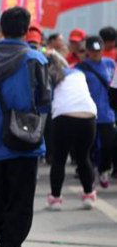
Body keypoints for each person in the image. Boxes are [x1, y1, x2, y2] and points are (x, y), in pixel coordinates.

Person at [0, 6, 50, 247]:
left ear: (1, 29)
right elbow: (44, 99)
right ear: (27, 30)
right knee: (20, 198)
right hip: (23, 138)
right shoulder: (35, 59)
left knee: (0, 193)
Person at [45, 52, 97, 210]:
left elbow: (45, 101)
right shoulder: (78, 74)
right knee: (83, 157)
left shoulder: (48, 77)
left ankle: (55, 199)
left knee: (59, 159)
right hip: (88, 115)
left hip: (64, 117)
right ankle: (88, 195)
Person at [76, 35, 116, 188]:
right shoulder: (80, 68)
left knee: (108, 145)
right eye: (92, 51)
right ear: (87, 51)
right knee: (89, 147)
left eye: (98, 51)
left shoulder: (110, 64)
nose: (95, 54)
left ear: (103, 50)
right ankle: (90, 174)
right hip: (88, 114)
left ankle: (104, 170)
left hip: (108, 114)